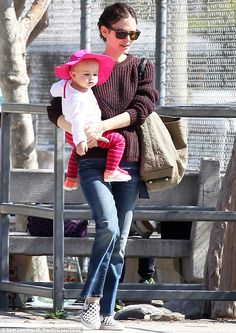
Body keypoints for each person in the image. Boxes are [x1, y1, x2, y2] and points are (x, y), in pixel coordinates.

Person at [47, 2, 159, 330]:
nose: (128, 39)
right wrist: (79, 131)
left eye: (133, 34)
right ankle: (90, 303)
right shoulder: (86, 65)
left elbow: (144, 105)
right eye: (122, 33)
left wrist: (103, 126)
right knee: (107, 226)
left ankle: (107, 314)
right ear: (104, 31)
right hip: (91, 162)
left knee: (120, 244)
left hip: (130, 162)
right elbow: (55, 108)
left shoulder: (141, 67)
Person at [50, 49, 131, 191]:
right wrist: (81, 140)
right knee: (118, 140)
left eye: (95, 74)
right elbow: (77, 120)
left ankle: (71, 179)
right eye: (86, 74)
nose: (92, 78)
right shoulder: (78, 98)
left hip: (72, 133)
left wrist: (65, 81)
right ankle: (111, 170)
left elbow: (53, 90)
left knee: (77, 151)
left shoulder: (66, 85)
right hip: (84, 132)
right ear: (73, 74)